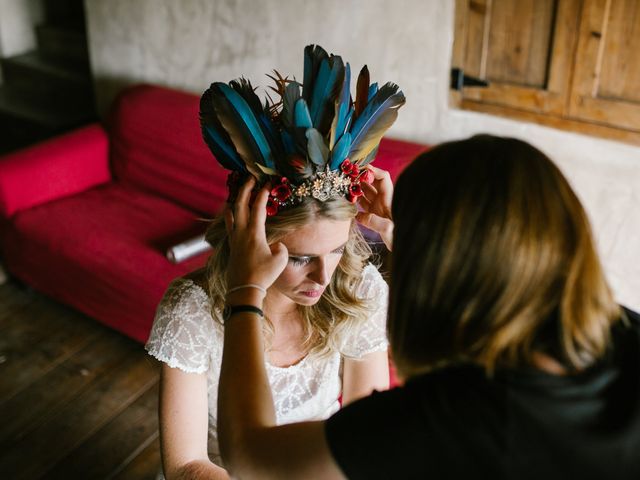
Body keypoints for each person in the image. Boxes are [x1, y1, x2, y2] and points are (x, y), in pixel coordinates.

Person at [216, 134, 640, 479]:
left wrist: (245, 292)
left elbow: (250, 456)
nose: (323, 277)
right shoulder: (623, 329)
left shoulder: (449, 420)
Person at [145, 44, 405, 479]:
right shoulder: (190, 311)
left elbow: (366, 431)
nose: (325, 276)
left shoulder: (358, 288)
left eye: (338, 249)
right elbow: (187, 463)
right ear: (245, 236)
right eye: (301, 257)